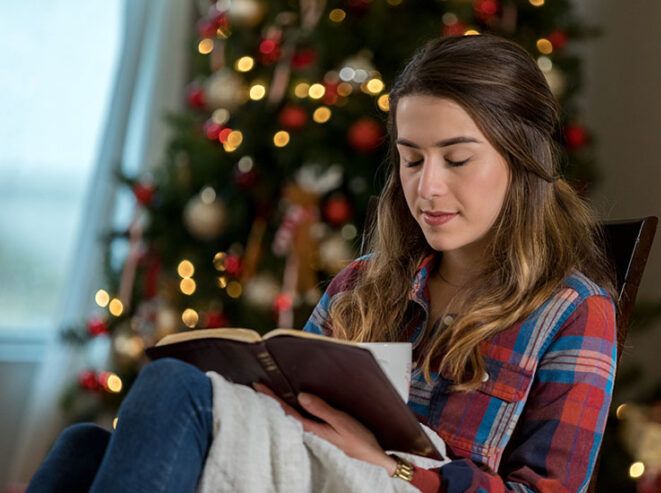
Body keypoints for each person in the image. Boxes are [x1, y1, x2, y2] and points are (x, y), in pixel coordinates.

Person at [28, 34, 617, 493]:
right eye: (411, 160)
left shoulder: (572, 312)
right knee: (85, 445)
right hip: (314, 470)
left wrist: (394, 468)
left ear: (521, 159)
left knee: (172, 388)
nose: (428, 188)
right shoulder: (362, 283)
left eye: (457, 159)